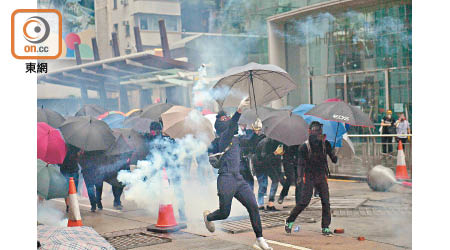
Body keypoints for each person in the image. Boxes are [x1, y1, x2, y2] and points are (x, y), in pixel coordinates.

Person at [203, 98, 273, 250]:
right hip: (226, 179)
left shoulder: (236, 139)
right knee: (224, 212)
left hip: (239, 179)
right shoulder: (222, 137)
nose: (227, 120)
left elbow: (251, 143)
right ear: (220, 125)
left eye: (227, 117)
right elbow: (230, 127)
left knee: (253, 207)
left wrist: (257, 131)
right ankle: (208, 217)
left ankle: (260, 239)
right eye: (224, 119)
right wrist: (239, 111)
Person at [285, 121, 338, 236]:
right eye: (315, 130)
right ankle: (290, 220)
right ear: (309, 132)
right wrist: (299, 177)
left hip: (321, 176)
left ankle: (325, 227)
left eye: (319, 130)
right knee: (304, 202)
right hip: (308, 176)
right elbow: (300, 164)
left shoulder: (326, 144)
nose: (318, 132)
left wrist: (333, 154)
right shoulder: (304, 146)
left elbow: (334, 159)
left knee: (326, 202)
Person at [255, 137, 282, 211]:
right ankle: (260, 204)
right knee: (263, 184)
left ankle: (270, 203)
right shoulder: (266, 143)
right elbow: (264, 157)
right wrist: (275, 153)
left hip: (269, 165)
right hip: (260, 165)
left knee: (275, 180)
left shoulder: (278, 142)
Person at [59, 144, 80, 213]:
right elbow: (78, 157)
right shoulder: (76, 145)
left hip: (65, 170)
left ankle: (68, 205)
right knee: (73, 189)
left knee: (66, 189)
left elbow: (59, 161)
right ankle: (71, 205)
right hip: (73, 170)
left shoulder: (61, 146)